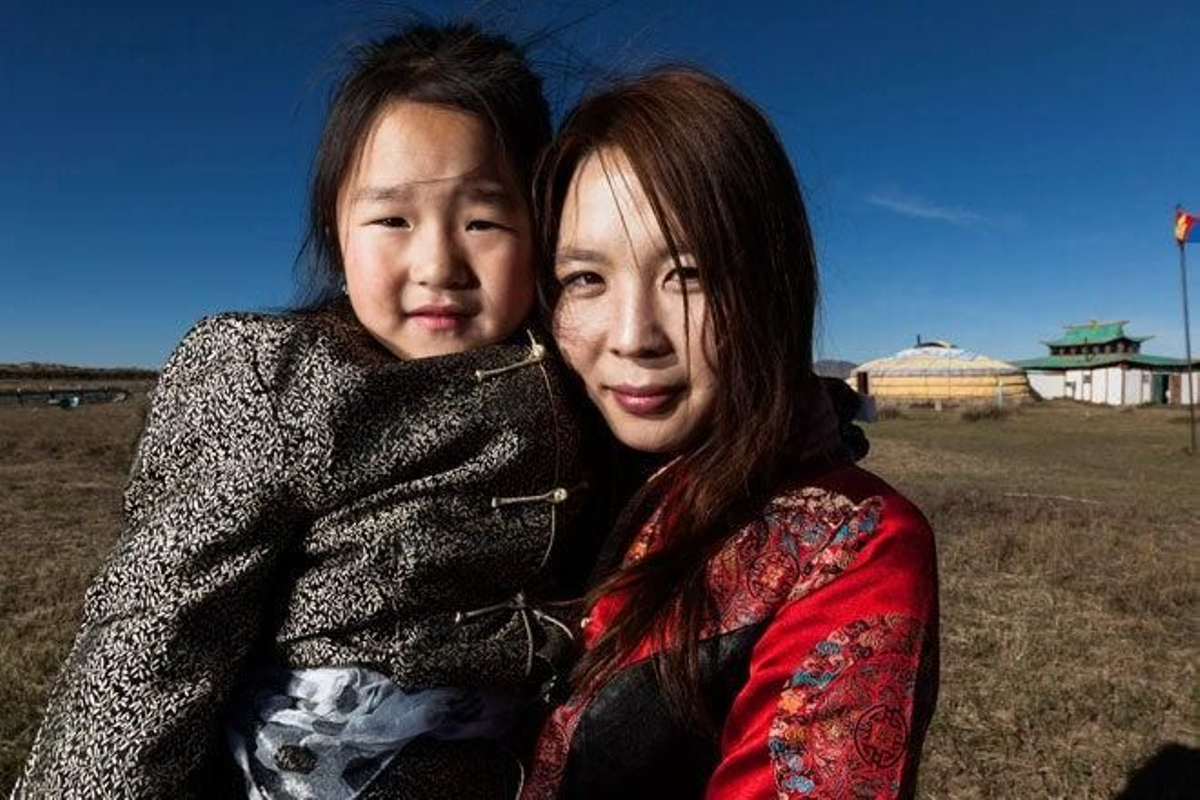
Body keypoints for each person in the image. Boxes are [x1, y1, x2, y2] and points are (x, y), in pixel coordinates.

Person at [15, 23, 591, 799]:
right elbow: (157, 634)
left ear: (541, 230)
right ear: (336, 234)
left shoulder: (586, 374)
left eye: (483, 220)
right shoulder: (278, 376)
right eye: (392, 220)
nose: (439, 265)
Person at [524, 67, 939, 798]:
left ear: (768, 287)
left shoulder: (852, 549)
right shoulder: (529, 490)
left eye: (688, 273)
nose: (633, 336)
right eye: (586, 277)